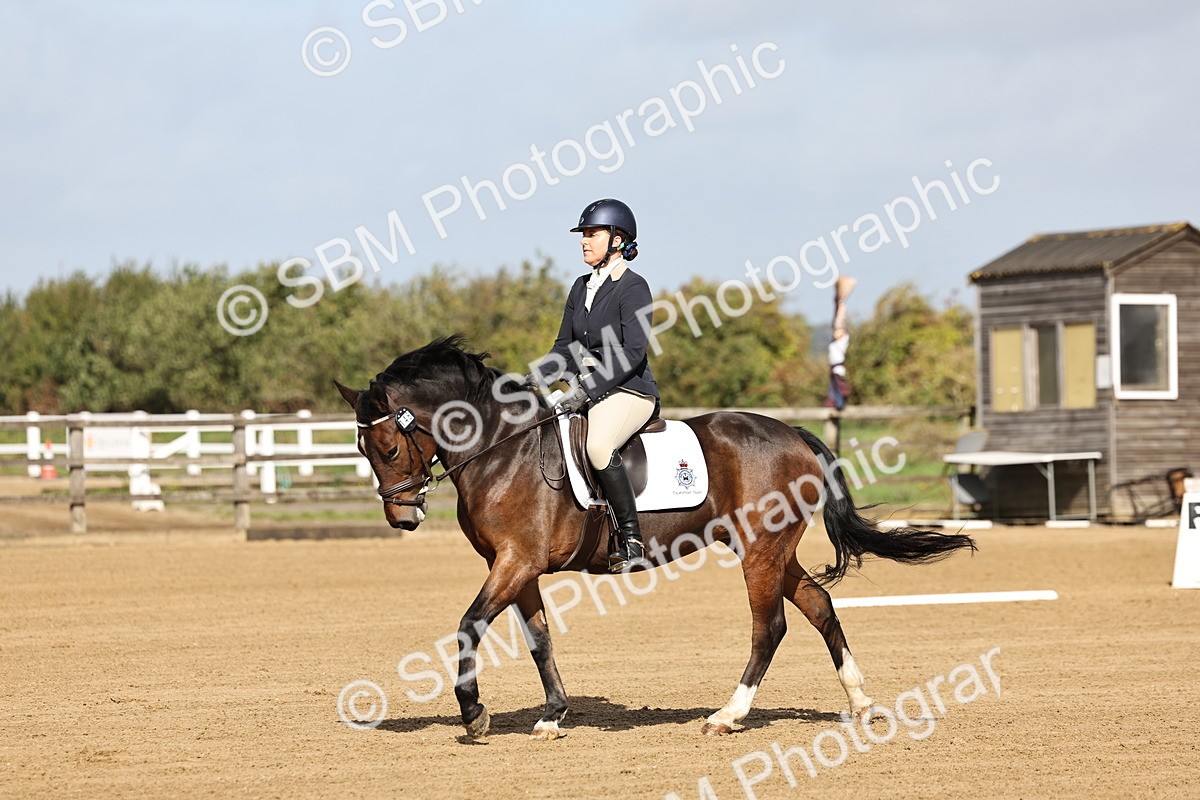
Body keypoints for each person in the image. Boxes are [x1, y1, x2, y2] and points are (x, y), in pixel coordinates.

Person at [529, 199, 659, 573]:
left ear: (617, 240)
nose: (584, 241)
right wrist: (528, 383)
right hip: (589, 390)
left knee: (599, 445)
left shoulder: (633, 287)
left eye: (592, 234)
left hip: (630, 391)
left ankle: (631, 539)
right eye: (583, 235)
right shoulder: (580, 286)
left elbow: (633, 352)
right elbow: (564, 349)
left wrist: (587, 390)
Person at [823, 275, 857, 411]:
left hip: (837, 369)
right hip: (835, 368)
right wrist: (837, 302)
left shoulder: (842, 337)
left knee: (839, 391)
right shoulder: (839, 339)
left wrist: (840, 304)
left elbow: (838, 322)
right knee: (834, 392)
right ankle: (836, 405)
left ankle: (839, 405)